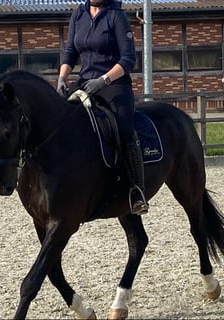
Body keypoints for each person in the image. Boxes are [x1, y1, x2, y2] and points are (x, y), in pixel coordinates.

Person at [56, 0, 148, 215]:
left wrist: (104, 80)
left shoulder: (117, 16)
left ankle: (136, 189)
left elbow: (128, 59)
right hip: (84, 82)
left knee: (124, 129)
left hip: (113, 84)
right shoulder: (78, 15)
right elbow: (70, 51)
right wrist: (61, 78)